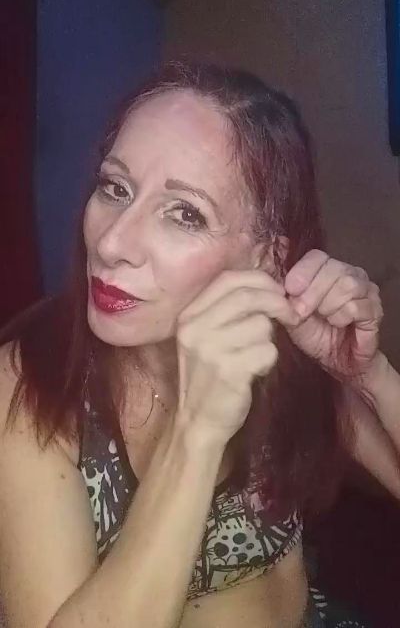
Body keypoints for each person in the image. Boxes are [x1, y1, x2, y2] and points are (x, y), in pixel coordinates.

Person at [0, 62, 394, 628]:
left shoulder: (278, 350)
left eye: (184, 214)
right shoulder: (29, 380)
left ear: (267, 258)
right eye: (115, 188)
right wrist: (196, 431)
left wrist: (369, 375)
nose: (111, 243)